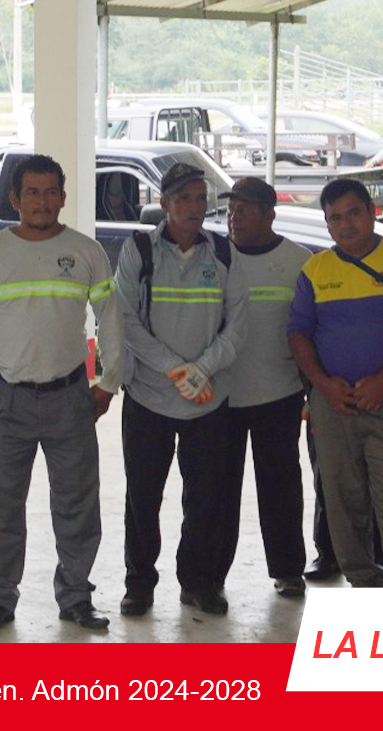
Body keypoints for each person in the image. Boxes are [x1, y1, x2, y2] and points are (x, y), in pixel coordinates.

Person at [0, 155, 123, 632]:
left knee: (77, 505)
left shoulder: (86, 251)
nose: (42, 202)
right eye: (32, 192)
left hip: (71, 398)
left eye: (51, 192)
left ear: (63, 198)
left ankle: (76, 597)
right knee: (1, 506)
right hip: (5, 399)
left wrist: (108, 383)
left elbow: (111, 318)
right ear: (15, 199)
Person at [114, 162, 247, 617]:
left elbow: (238, 324)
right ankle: (139, 585)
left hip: (208, 400)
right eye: (184, 199)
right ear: (164, 204)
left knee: (206, 497)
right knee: (142, 496)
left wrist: (202, 370)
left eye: (200, 198)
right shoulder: (139, 251)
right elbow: (125, 320)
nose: (194, 207)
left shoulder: (223, 253)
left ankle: (198, 582)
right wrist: (176, 370)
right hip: (149, 396)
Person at [288, 177, 383, 588]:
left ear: (372, 212)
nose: (346, 224)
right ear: (327, 224)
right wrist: (322, 385)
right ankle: (363, 582)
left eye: (354, 213)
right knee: (341, 501)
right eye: (335, 218)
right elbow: (298, 333)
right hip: (333, 407)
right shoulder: (315, 269)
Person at [217, 176, 312, 599]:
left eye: (244, 210)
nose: (234, 218)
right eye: (230, 210)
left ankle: (288, 570)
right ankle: (210, 576)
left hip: (279, 395)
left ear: (269, 215)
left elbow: (310, 330)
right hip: (222, 397)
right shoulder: (214, 256)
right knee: (216, 492)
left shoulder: (298, 261)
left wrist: (312, 391)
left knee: (281, 487)